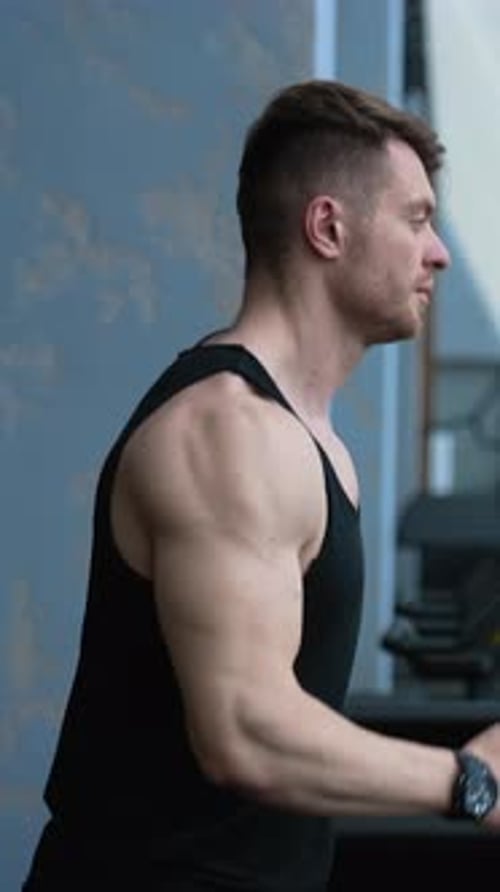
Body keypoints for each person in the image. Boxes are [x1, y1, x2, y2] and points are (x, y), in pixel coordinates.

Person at [23, 78, 500, 892]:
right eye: (416, 220)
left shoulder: (309, 439)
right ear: (327, 226)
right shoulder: (231, 435)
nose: (440, 251)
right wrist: (467, 781)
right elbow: (245, 730)